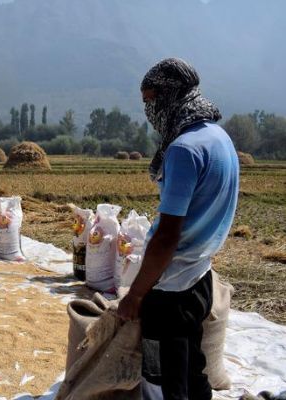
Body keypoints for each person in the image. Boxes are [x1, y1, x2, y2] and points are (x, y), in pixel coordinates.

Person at [117, 58, 239, 400]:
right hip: (200, 277)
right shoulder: (219, 138)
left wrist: (137, 295)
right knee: (191, 368)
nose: (148, 110)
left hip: (171, 288)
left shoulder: (184, 150)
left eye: (151, 100)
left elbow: (168, 235)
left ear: (170, 96)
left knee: (163, 380)